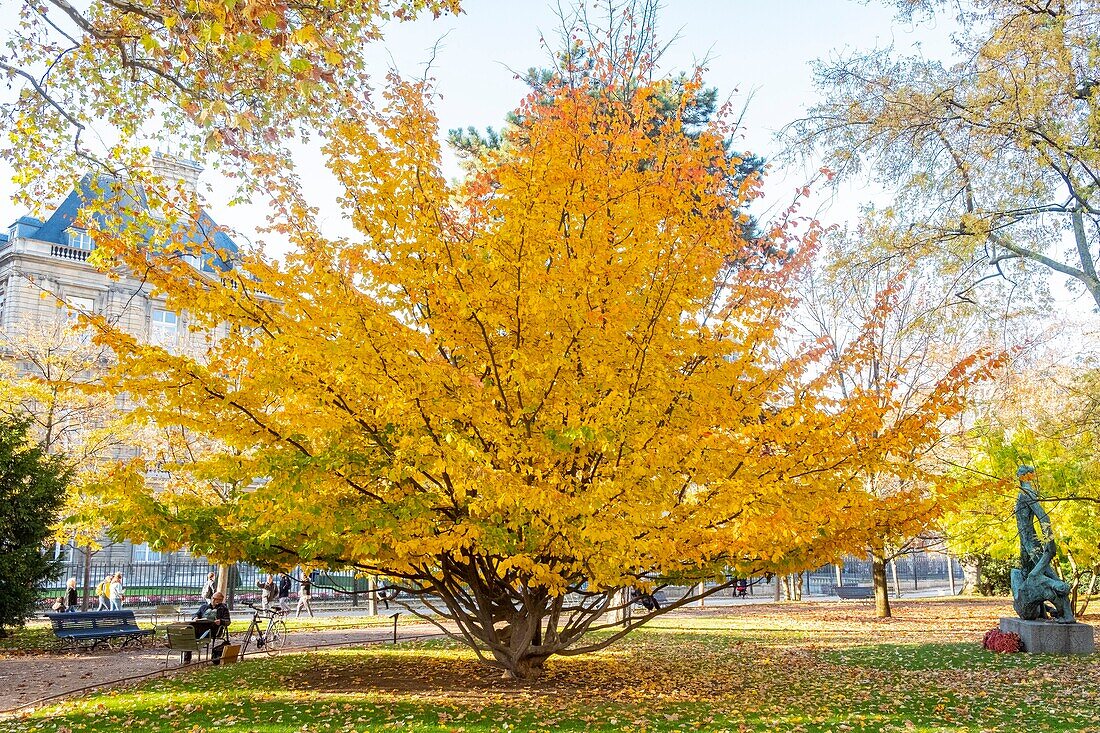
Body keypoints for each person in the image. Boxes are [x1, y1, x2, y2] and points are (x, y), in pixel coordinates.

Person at [184, 591, 232, 664]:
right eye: (214, 598)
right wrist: (195, 617)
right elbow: (196, 614)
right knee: (190, 628)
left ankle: (178, 640)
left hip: (213, 630)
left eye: (218, 599)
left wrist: (221, 621)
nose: (215, 600)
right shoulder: (204, 607)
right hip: (200, 628)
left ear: (221, 600)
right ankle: (186, 657)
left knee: (190, 632)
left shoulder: (223, 609)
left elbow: (228, 621)